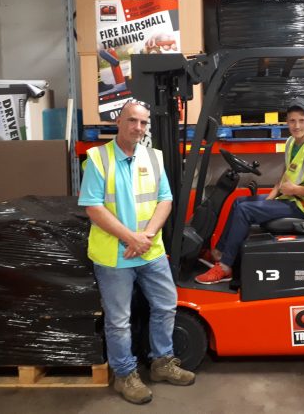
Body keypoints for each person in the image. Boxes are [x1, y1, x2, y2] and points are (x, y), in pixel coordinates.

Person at [78, 99, 195, 405]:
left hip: (150, 251)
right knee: (118, 320)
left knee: (166, 305)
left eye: (143, 123)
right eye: (132, 121)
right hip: (114, 255)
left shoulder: (154, 157)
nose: (138, 128)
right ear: (118, 121)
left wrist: (146, 236)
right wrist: (131, 238)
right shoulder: (98, 158)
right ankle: (125, 374)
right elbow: (93, 206)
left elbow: (165, 199)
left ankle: (161, 362)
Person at [195, 97, 304, 284]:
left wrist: (296, 189)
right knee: (239, 201)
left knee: (245, 210)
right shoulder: (292, 142)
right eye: (292, 120)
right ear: (287, 121)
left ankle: (225, 267)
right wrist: (270, 197)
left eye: (302, 120)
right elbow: (286, 173)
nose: (296, 125)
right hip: (290, 199)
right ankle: (219, 252)